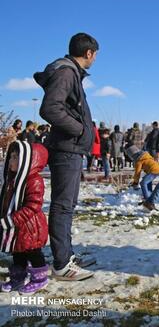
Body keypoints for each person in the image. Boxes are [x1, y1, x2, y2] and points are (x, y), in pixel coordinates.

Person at [35, 32, 98, 280]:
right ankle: (61, 264)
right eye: (96, 55)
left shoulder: (71, 72)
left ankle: (66, 254)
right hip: (66, 149)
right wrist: (80, 129)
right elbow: (50, 108)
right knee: (62, 206)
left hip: (70, 148)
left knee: (67, 206)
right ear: (89, 53)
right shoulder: (66, 72)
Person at [0, 142, 49, 294]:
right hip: (16, 228)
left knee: (33, 252)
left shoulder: (33, 180)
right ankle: (18, 277)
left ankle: (40, 279)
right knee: (17, 252)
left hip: (30, 227)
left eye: (15, 157)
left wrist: (12, 220)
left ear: (28, 161)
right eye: (11, 157)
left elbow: (33, 205)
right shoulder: (11, 181)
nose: (11, 161)